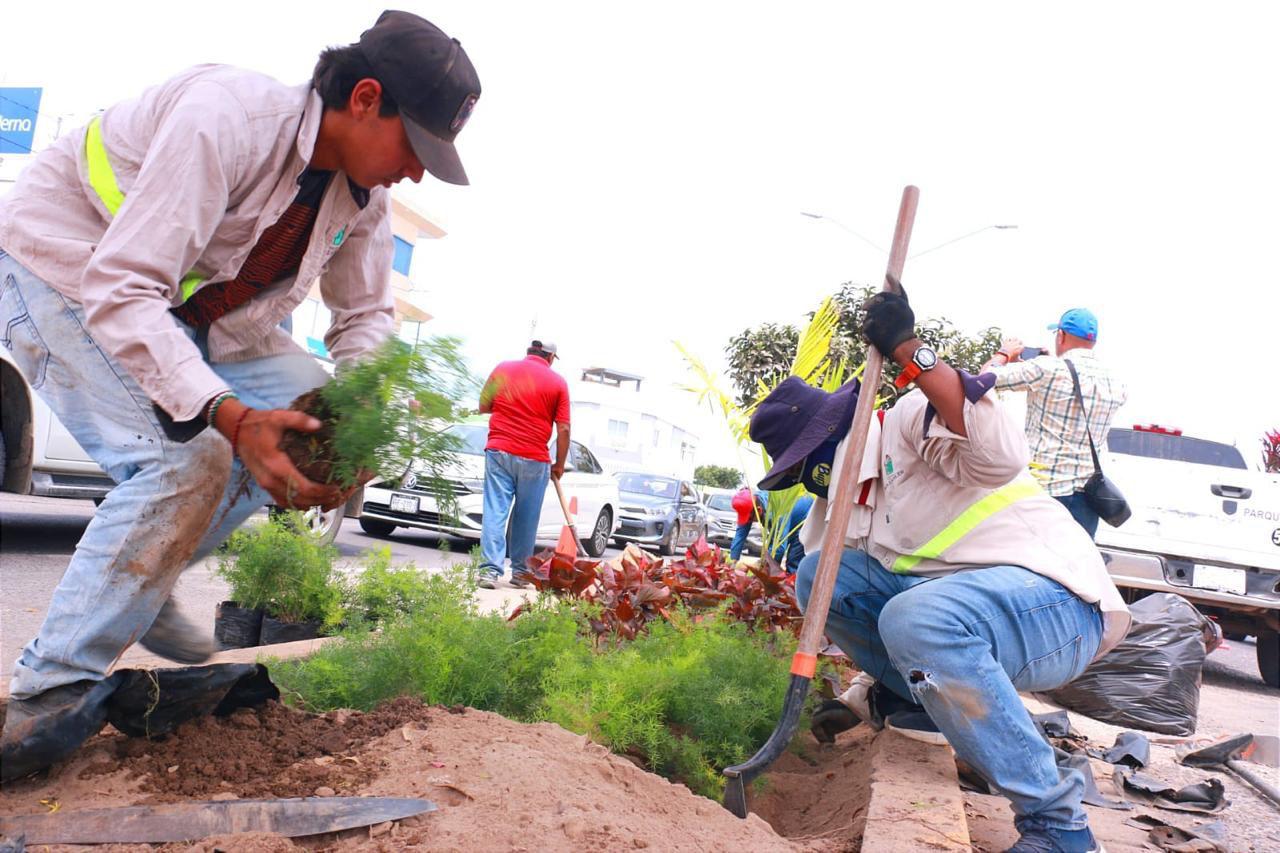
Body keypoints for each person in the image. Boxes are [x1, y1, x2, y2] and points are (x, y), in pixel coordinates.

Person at [0, 11, 481, 783]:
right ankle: (49, 689)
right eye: (415, 146)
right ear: (364, 98)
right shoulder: (226, 121)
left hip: (198, 320)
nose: (417, 172)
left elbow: (362, 318)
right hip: (62, 269)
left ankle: (137, 575)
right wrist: (230, 414)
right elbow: (124, 290)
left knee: (305, 414)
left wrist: (357, 421)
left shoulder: (364, 199)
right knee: (191, 462)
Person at [750, 289, 1130, 853]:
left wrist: (910, 350)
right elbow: (862, 614)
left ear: (832, 443)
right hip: (976, 619)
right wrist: (863, 694)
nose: (811, 484)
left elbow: (1000, 454)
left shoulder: (906, 423)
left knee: (917, 614)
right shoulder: (842, 513)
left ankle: (1058, 825)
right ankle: (914, 705)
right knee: (821, 577)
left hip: (1059, 606)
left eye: (809, 469)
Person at [979, 308, 1128, 538]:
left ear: (1061, 335)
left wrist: (1005, 353)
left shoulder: (1046, 369)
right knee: (1073, 568)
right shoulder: (1116, 381)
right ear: (1093, 341)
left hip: (1042, 492)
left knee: (1029, 566)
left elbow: (983, 380)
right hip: (1088, 498)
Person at [476, 340, 571, 588]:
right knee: (526, 517)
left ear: (529, 352)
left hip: (499, 450)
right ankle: (520, 573)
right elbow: (563, 428)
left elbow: (483, 405)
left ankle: (489, 571)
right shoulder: (558, 383)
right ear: (550, 357)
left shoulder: (503, 368)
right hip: (534, 458)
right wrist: (559, 464)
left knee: (495, 511)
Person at [728, 485, 760, 561]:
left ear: (758, 510)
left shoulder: (771, 510)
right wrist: (733, 563)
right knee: (739, 536)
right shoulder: (743, 504)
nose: (747, 521)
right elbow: (738, 538)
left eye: (747, 516)